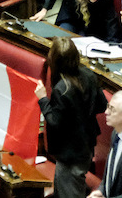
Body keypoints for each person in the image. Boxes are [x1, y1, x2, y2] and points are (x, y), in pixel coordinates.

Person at [36, 37, 107, 198]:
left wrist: (42, 99)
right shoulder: (88, 75)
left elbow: (54, 121)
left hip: (70, 154)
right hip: (85, 146)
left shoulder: (62, 88)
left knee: (70, 192)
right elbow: (102, 105)